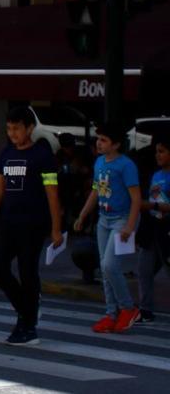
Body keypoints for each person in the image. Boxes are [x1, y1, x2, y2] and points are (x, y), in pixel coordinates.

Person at [0, 107, 65, 346]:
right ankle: (27, 309)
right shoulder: (7, 153)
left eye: (16, 128)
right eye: (9, 129)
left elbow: (52, 192)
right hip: (8, 221)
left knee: (28, 271)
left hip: (34, 223)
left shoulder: (43, 156)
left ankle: (27, 325)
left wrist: (56, 228)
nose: (12, 133)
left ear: (29, 128)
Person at [73, 124, 142, 333]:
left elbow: (136, 198)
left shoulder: (126, 165)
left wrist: (130, 226)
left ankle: (128, 308)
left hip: (121, 219)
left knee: (110, 265)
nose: (98, 143)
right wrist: (83, 214)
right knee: (104, 268)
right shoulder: (99, 162)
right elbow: (96, 191)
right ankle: (111, 314)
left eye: (103, 140)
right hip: (104, 219)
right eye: (98, 139)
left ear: (117, 144)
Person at [137, 135, 170, 323]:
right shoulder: (155, 175)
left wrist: (152, 206)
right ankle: (145, 309)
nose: (158, 155)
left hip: (167, 230)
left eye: (162, 151)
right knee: (144, 270)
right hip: (152, 229)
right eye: (156, 151)